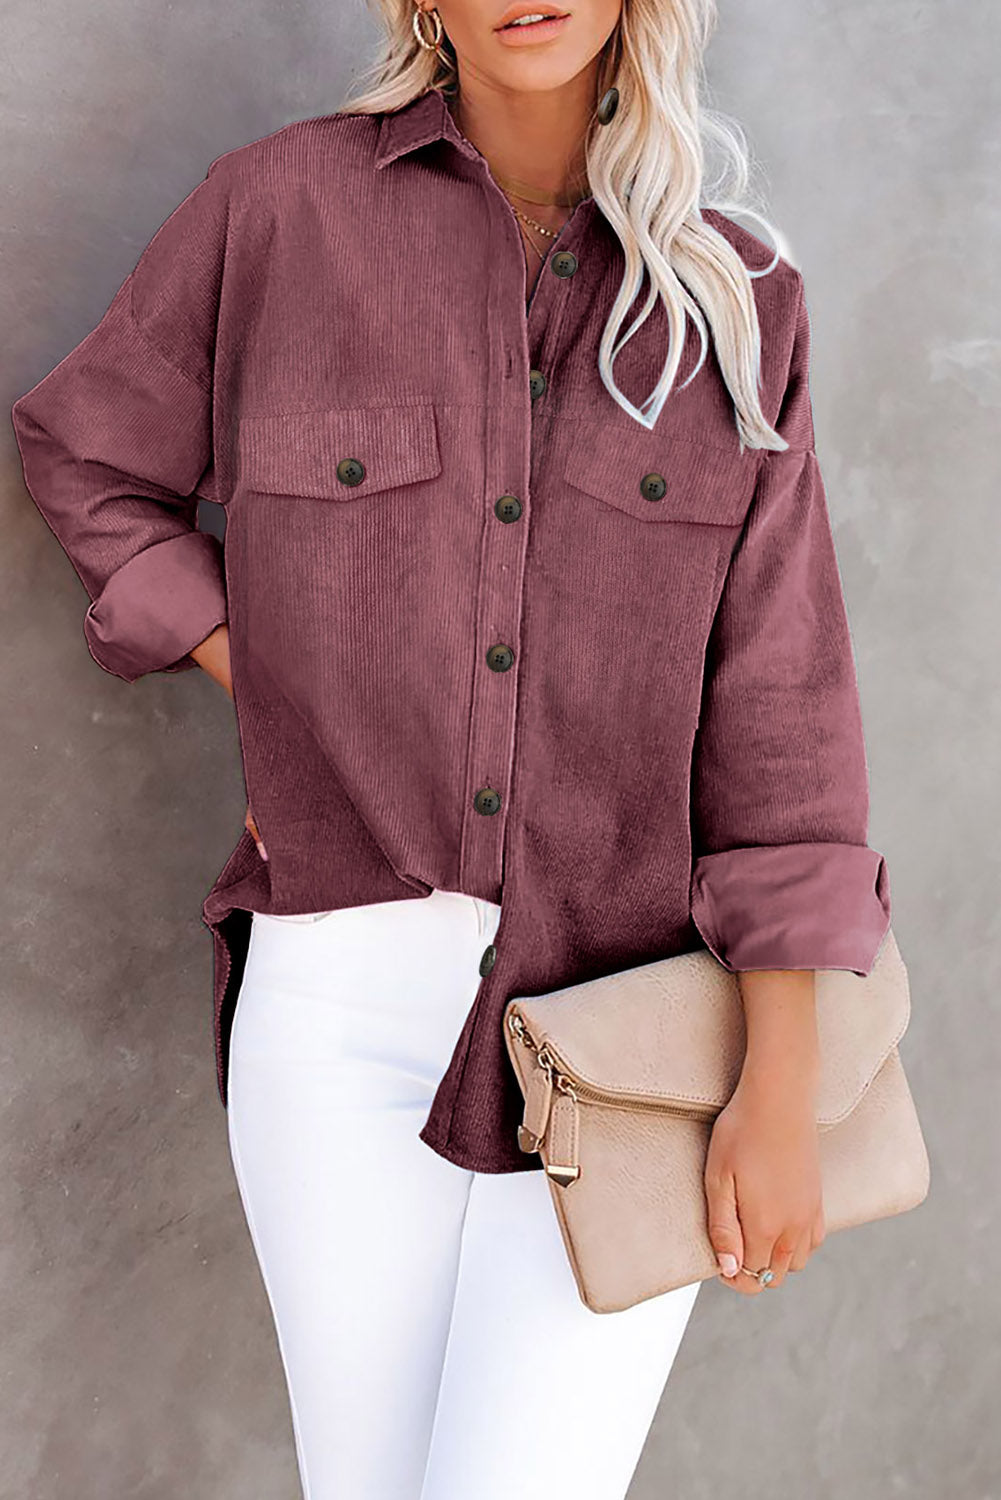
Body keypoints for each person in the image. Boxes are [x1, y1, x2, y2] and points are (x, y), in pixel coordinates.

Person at [10, 1, 893, 1496]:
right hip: (337, 1005)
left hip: (627, 1028)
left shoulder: (736, 302)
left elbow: (781, 713)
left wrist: (778, 1086)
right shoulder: (278, 214)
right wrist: (267, 679)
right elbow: (82, 451)